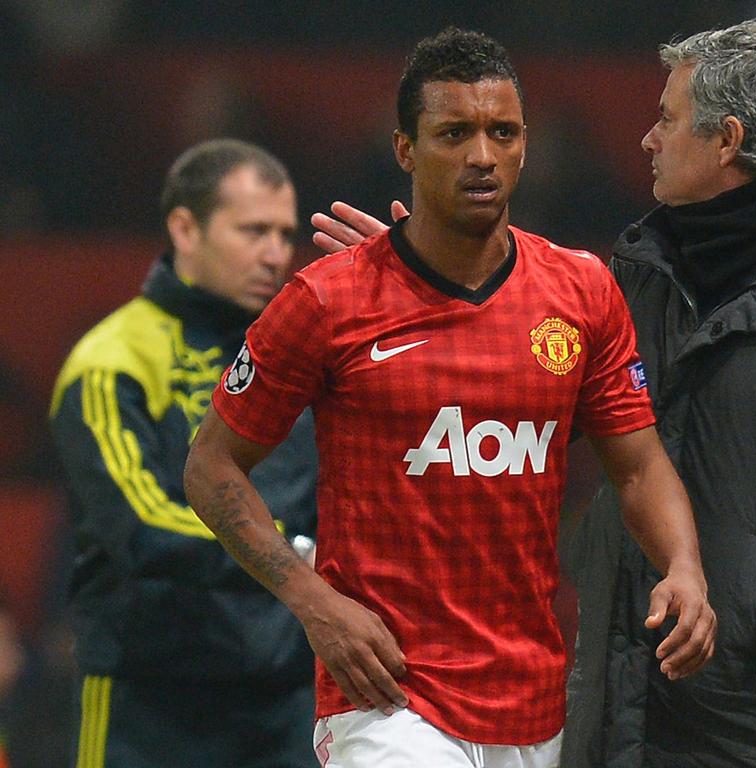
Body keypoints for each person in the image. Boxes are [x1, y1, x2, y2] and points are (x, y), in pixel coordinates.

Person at [310, 20, 756, 768]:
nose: (648, 138)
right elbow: (530, 391)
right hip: (622, 706)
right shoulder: (638, 269)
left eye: (667, 120)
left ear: (728, 140)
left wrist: (747, 617)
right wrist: (426, 289)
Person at [183, 28, 715, 768]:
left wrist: (683, 566)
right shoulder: (326, 302)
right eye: (454, 133)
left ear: (527, 144)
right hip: (386, 696)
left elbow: (638, 467)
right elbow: (211, 466)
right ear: (405, 149)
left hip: (529, 696)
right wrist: (314, 602)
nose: (482, 156)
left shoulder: (582, 290)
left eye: (503, 132)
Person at [50, 139, 319, 768]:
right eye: (253, 230)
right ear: (184, 227)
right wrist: (292, 552)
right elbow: (138, 524)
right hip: (147, 703)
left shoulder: (301, 355)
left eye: (284, 234)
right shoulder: (111, 360)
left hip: (286, 700)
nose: (275, 255)